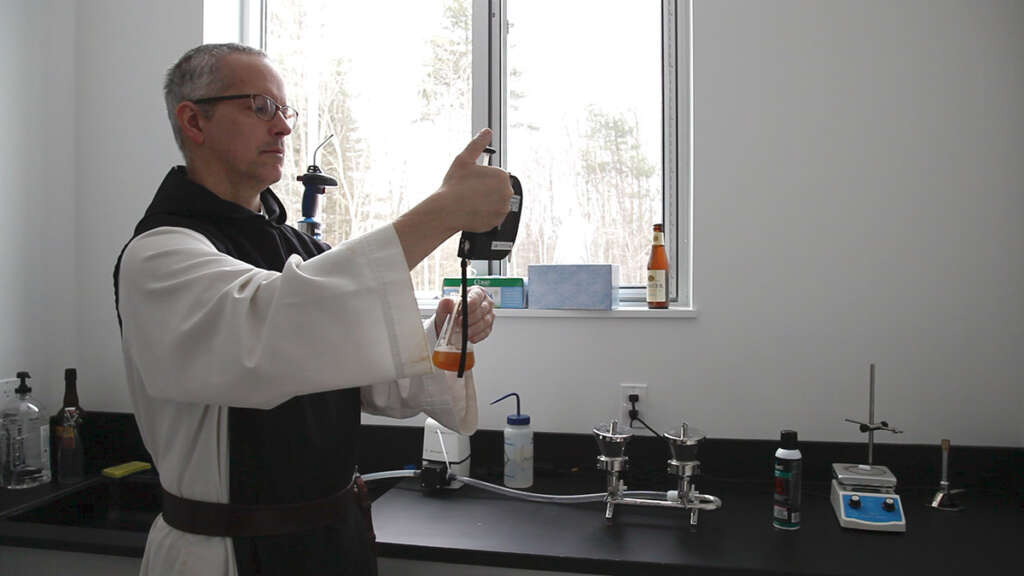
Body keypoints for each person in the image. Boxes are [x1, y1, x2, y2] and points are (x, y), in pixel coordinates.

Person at [113, 43, 513, 576]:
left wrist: (443, 333)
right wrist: (443, 212)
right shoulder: (161, 254)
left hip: (336, 541)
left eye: (284, 111)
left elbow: (372, 380)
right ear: (194, 120)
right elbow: (273, 332)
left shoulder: (304, 252)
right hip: (228, 552)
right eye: (259, 107)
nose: (282, 128)